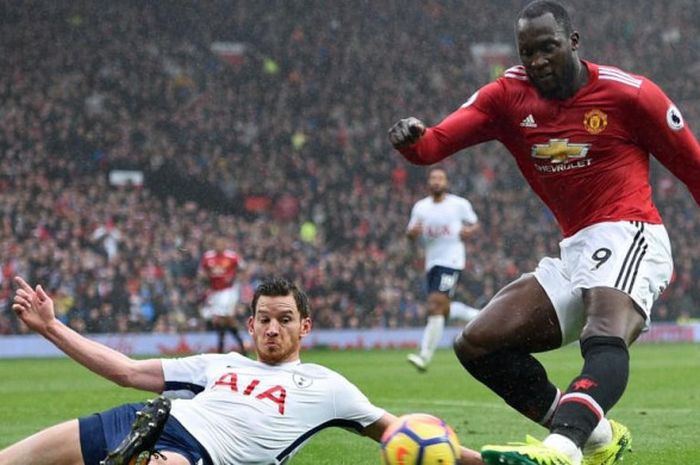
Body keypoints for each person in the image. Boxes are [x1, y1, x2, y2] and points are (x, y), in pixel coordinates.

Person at [388, 1, 700, 465]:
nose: (536, 62)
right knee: (477, 343)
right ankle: (594, 437)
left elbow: (694, 168)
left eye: (548, 48)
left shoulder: (631, 95)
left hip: (631, 233)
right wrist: (413, 140)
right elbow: (434, 144)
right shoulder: (505, 96)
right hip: (575, 249)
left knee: (603, 331)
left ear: (573, 42)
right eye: (526, 52)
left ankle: (564, 448)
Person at [3, 275, 484, 465]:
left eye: (286, 320)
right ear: (251, 325)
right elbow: (126, 371)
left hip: (193, 456)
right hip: (141, 419)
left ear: (305, 326)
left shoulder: (328, 386)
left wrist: (488, 461)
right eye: (265, 320)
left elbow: (400, 433)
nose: (274, 330)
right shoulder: (217, 363)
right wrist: (51, 327)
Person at [405, 166, 481, 372]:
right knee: (443, 308)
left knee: (435, 304)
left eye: (440, 178)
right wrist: (413, 233)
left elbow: (475, 224)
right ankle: (481, 316)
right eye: (433, 178)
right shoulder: (421, 207)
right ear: (429, 183)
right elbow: (410, 234)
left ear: (446, 182)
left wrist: (468, 231)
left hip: (452, 261)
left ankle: (424, 356)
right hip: (432, 263)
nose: (437, 181)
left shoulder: (458, 204)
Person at [198, 237, 247, 355]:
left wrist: (238, 279)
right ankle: (240, 345)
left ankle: (221, 347)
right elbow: (201, 272)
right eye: (217, 243)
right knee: (224, 321)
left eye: (221, 244)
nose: (219, 246)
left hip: (228, 291)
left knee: (222, 317)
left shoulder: (232, 256)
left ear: (225, 245)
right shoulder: (208, 256)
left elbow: (243, 268)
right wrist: (205, 280)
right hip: (215, 292)